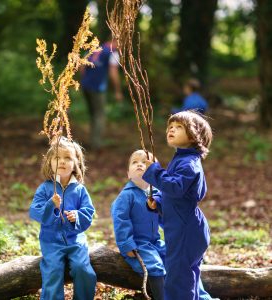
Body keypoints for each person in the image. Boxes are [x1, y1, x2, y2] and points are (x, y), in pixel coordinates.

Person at [142, 111, 215, 300]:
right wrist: (157, 202)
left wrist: (154, 172)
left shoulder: (189, 163)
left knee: (178, 279)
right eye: (170, 126)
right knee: (185, 275)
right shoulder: (181, 158)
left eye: (179, 127)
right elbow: (175, 195)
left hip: (186, 230)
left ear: (194, 135)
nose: (171, 129)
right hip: (182, 228)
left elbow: (175, 187)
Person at [29, 137, 96, 300]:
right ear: (50, 162)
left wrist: (77, 216)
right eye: (57, 157)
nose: (62, 161)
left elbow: (88, 211)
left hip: (75, 240)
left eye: (68, 158)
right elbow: (34, 211)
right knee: (52, 271)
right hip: (51, 241)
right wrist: (51, 205)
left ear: (76, 163)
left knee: (83, 270)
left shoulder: (80, 190)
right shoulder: (45, 188)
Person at [111, 150, 166, 300]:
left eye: (145, 162)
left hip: (155, 241)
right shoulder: (126, 195)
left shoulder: (156, 194)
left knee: (173, 259)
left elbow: (165, 218)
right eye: (135, 162)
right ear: (128, 173)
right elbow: (121, 220)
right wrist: (127, 245)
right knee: (155, 266)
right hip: (138, 245)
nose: (140, 164)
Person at [81, 38, 123, 149]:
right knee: (99, 115)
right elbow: (113, 73)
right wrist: (117, 91)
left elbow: (82, 66)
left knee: (93, 114)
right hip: (98, 88)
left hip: (85, 85)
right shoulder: (113, 53)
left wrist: (83, 80)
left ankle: (92, 141)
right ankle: (96, 144)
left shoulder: (94, 47)